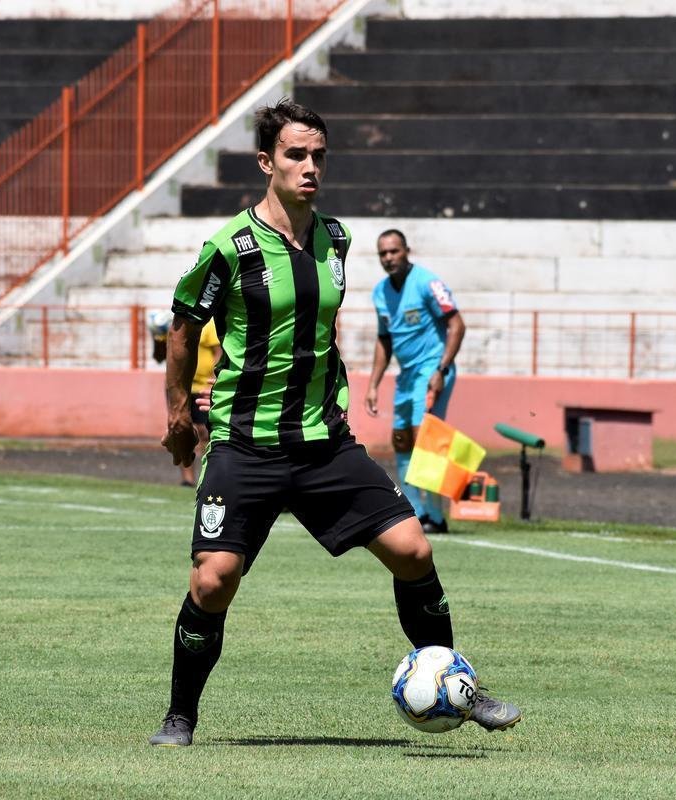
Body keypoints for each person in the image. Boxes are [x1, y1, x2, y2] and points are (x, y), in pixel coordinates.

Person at [149, 99, 520, 747]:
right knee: (213, 579)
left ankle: (458, 684)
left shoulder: (337, 240)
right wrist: (179, 414)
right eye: (295, 155)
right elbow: (183, 327)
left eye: (318, 155)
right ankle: (179, 716)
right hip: (246, 445)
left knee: (413, 549)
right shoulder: (228, 248)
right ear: (266, 162)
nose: (309, 166)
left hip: (324, 443)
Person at [364, 231, 466, 534]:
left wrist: (441, 369)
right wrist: (372, 384)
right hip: (406, 376)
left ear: (407, 250)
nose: (389, 258)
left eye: (394, 251)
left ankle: (437, 515)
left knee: (426, 442)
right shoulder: (380, 292)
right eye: (383, 254)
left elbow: (457, 325)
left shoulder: (427, 283)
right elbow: (384, 340)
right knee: (401, 441)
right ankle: (416, 513)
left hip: (432, 370)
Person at [180, 322, 222, 487]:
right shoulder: (176, 324)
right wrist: (158, 338)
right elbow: (161, 357)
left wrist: (214, 381)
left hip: (203, 387)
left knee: (205, 432)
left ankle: (207, 475)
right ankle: (187, 479)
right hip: (182, 388)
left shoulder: (209, 324)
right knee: (183, 430)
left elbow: (218, 353)